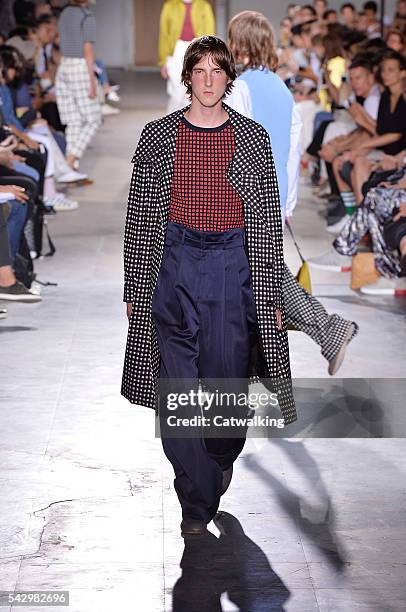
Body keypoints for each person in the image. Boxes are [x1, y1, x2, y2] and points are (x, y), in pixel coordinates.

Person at [122, 35, 296, 537]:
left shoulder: (252, 139)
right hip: (172, 264)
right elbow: (139, 217)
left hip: (231, 267)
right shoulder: (158, 136)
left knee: (225, 387)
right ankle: (195, 503)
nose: (207, 81)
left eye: (217, 71)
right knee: (174, 391)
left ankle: (217, 461)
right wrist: (136, 287)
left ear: (228, 79)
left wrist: (273, 297)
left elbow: (264, 223)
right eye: (198, 71)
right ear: (187, 79)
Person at [226, 10, 358, 375]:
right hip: (274, 196)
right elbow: (291, 152)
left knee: (265, 280)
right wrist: (287, 202)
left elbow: (234, 150)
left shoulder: (239, 90)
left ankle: (330, 329)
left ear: (238, 44)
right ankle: (260, 366)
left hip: (246, 198)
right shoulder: (282, 91)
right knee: (259, 282)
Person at [55, 0, 102, 171]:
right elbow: (87, 50)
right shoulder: (86, 16)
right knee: (93, 120)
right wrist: (92, 81)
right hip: (80, 67)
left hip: (63, 66)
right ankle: (69, 162)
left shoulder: (64, 13)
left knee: (73, 121)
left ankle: (71, 167)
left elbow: (61, 42)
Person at [158, 0, 215, 113]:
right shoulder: (169, 6)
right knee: (176, 92)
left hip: (198, 49)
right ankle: (171, 125)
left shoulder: (204, 6)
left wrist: (210, 57)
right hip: (176, 51)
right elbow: (164, 35)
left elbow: (210, 34)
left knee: (194, 90)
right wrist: (163, 61)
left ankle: (192, 126)